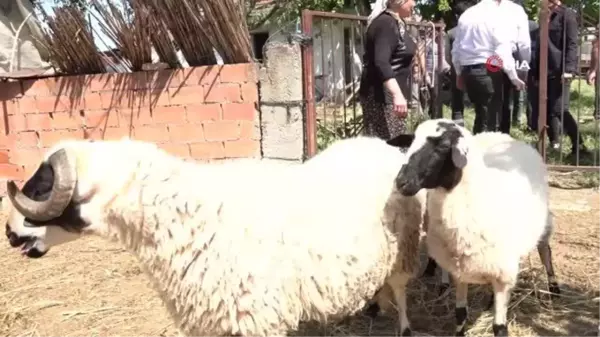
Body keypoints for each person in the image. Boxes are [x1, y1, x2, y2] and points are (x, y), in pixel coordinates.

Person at [452, 0, 525, 134]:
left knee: (481, 116)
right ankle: (487, 151)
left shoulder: (467, 15)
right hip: (488, 69)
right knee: (491, 121)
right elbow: (502, 50)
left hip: (469, 71)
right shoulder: (496, 16)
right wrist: (514, 77)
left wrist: (459, 73)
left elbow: (456, 49)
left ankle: (477, 148)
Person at [530, 0, 589, 155]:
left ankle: (579, 144)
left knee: (560, 109)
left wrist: (569, 69)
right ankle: (554, 142)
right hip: (542, 70)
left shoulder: (567, 15)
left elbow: (572, 44)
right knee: (546, 109)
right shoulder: (543, 14)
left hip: (559, 70)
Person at [358, 0, 417, 141]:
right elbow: (381, 62)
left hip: (387, 97)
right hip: (382, 98)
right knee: (388, 147)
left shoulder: (396, 22)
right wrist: (397, 94)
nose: (414, 4)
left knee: (393, 145)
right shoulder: (386, 23)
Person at [499, 0, 530, 134]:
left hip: (487, 60)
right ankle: (503, 133)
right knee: (506, 98)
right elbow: (524, 45)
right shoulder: (517, 11)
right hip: (508, 59)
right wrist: (524, 67)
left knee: (491, 100)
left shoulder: (481, 9)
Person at [444, 1, 476, 127]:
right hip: (476, 68)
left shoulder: (452, 33)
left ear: (457, 16)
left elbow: (447, 55)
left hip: (457, 68)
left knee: (457, 99)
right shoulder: (479, 30)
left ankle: (458, 124)